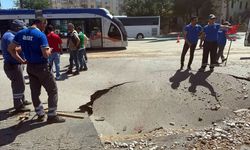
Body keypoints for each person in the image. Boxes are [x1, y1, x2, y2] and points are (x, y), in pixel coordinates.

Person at [8, 17, 65, 123]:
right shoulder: (40, 35)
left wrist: (22, 60)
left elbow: (11, 49)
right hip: (42, 67)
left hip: (30, 67)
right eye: (45, 25)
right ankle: (52, 116)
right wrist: (49, 50)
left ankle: (40, 114)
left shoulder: (21, 33)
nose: (45, 27)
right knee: (52, 91)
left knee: (35, 92)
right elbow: (45, 54)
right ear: (41, 23)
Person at [1, 20, 31, 112]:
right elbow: (14, 50)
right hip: (13, 65)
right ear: (17, 29)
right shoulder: (10, 37)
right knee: (18, 85)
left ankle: (21, 100)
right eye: (22, 29)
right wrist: (25, 46)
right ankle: (18, 106)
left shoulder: (10, 35)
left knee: (20, 84)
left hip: (15, 64)